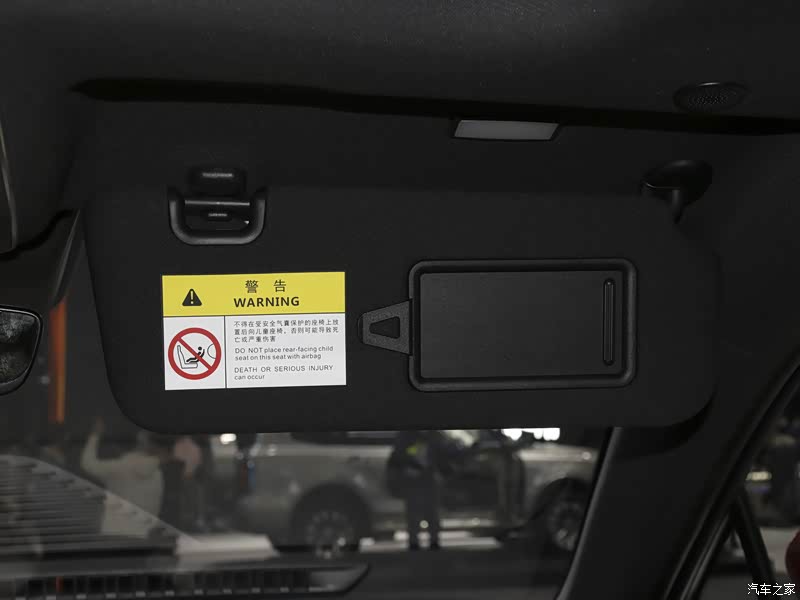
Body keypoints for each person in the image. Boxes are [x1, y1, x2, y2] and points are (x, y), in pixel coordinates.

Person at [80, 418, 170, 537]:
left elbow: (88, 464)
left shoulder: (118, 468)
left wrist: (95, 435)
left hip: (114, 534)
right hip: (143, 536)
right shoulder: (157, 473)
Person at [389, 431, 448, 551]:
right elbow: (400, 456)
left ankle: (433, 541)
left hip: (428, 479)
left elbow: (441, 454)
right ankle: (415, 542)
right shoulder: (407, 436)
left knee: (431, 513)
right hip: (414, 480)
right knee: (414, 513)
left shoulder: (433, 436)